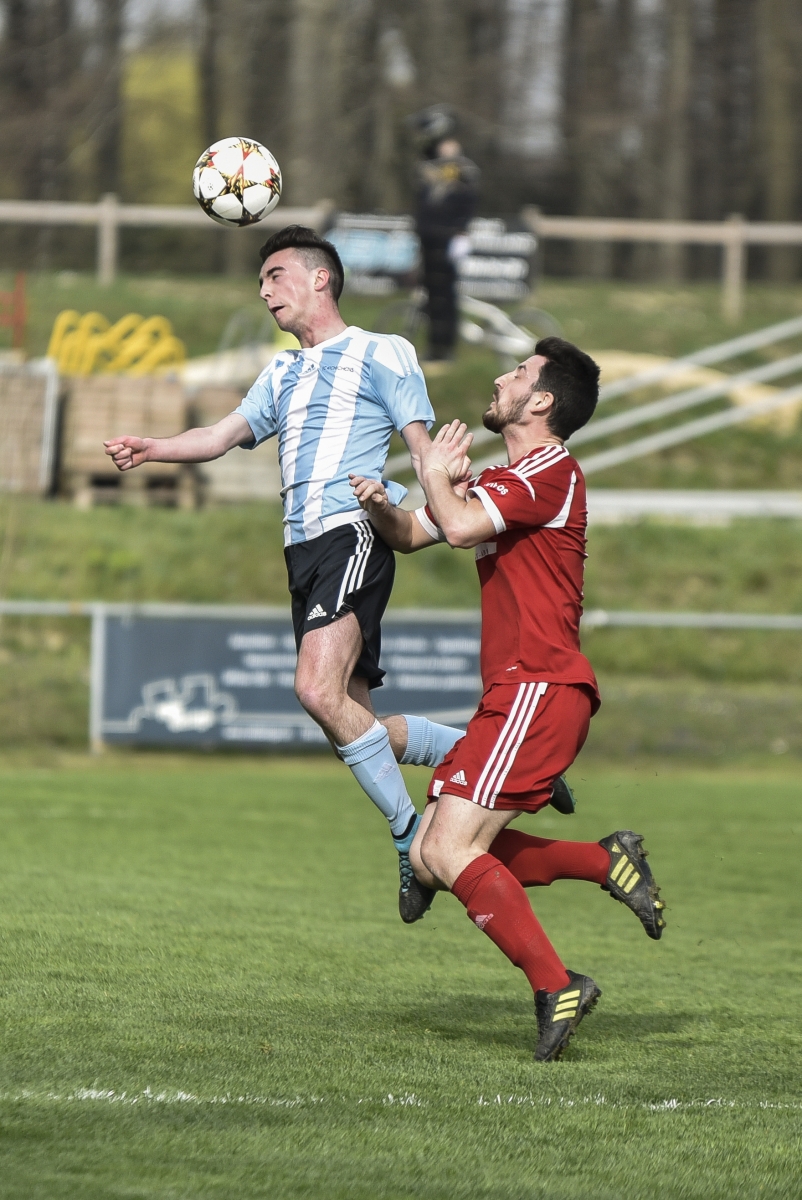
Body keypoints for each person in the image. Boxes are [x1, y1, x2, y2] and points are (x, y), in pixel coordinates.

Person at [104, 224, 468, 921]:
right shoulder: (281, 371)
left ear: (320, 278)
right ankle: (487, 758)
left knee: (313, 688)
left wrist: (440, 504)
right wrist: (153, 448)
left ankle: (409, 839)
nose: (265, 291)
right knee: (349, 721)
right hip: (301, 553)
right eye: (261, 281)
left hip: (352, 533)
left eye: (275, 276)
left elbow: (422, 448)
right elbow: (218, 437)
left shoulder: (380, 351)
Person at [350, 336, 666, 1062]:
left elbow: (457, 527)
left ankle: (557, 984)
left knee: (448, 846)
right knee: (433, 858)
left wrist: (434, 473)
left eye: (517, 372)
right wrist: (381, 502)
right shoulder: (507, 477)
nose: (501, 378)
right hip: (520, 694)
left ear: (543, 400)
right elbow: (414, 532)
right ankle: (606, 860)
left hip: (541, 688)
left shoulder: (552, 471)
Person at [415, 135, 479, 362]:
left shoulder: (463, 171)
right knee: (432, 298)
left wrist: (461, 231)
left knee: (445, 297)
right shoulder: (429, 171)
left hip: (447, 239)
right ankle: (435, 346)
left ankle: (445, 347)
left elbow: (468, 202)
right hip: (429, 239)